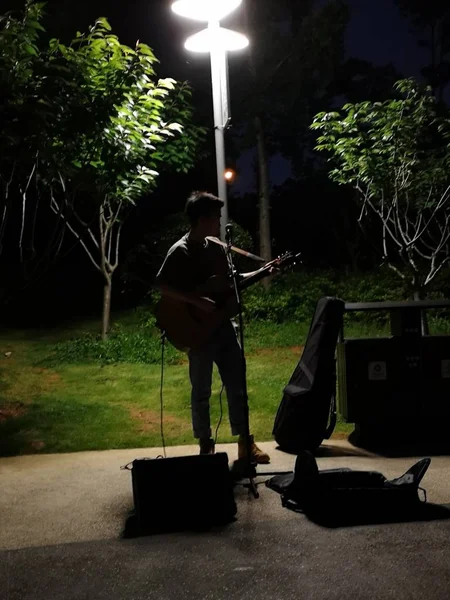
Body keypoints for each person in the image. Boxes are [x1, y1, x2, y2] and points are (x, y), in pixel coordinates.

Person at [156, 191, 270, 463]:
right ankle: (205, 444)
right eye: (216, 217)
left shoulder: (218, 247)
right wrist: (195, 300)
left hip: (223, 326)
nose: (220, 222)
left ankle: (245, 444)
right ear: (202, 219)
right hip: (197, 331)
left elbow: (232, 280)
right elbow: (162, 285)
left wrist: (264, 271)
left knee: (237, 384)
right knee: (202, 390)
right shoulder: (180, 251)